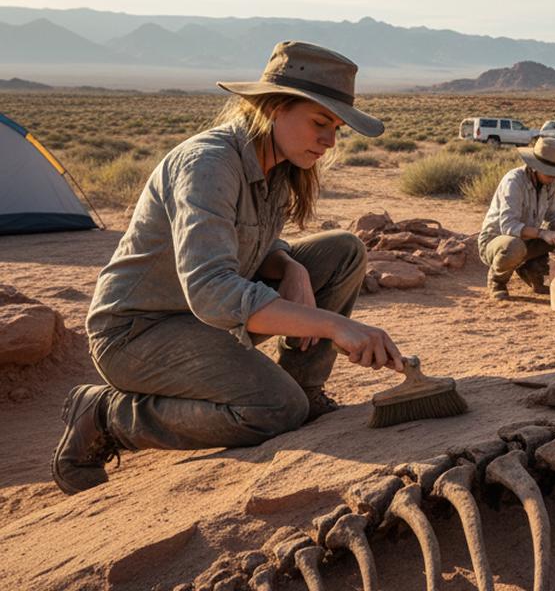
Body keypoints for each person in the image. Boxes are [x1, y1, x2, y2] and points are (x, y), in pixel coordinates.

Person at [53, 41, 407, 496]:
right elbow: (212, 290)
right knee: (275, 409)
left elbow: (251, 242)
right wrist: (334, 325)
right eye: (320, 122)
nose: (330, 141)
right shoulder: (208, 163)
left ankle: (304, 391)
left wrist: (291, 270)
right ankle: (106, 414)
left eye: (336, 128)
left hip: (200, 323)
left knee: (343, 251)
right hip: (137, 333)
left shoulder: (279, 165)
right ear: (273, 108)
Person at [478, 136, 555, 301]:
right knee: (514, 246)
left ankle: (531, 269)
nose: (554, 176)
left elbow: (554, 216)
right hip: (497, 242)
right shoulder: (514, 181)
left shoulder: (550, 183)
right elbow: (508, 226)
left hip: (528, 239)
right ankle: (497, 280)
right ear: (536, 166)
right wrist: (543, 234)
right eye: (550, 171)